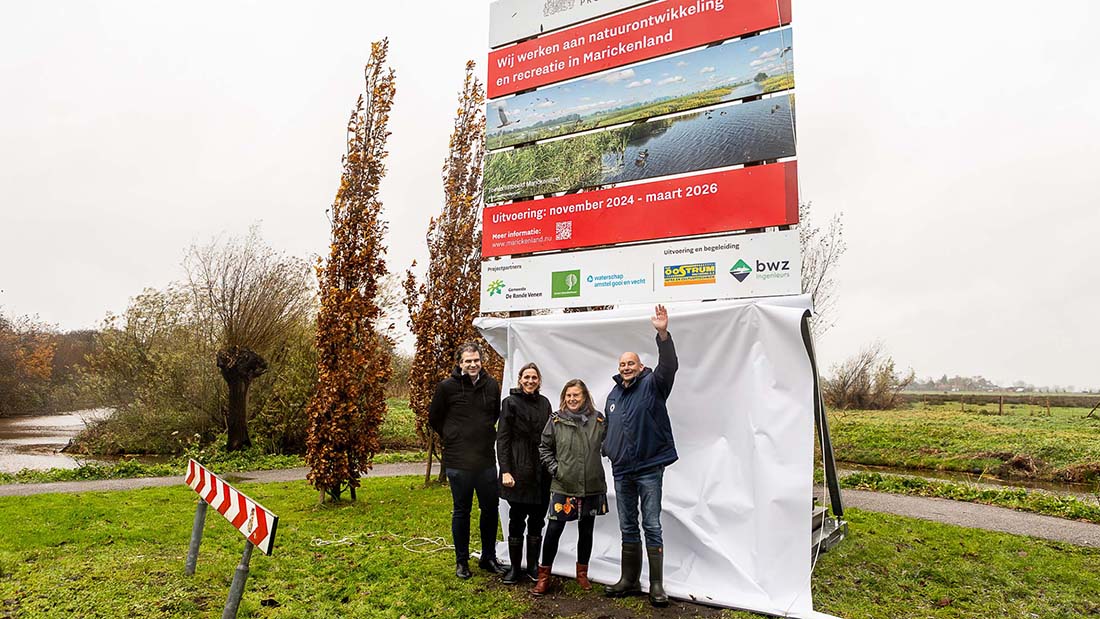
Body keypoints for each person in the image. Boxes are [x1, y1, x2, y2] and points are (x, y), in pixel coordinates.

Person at [602, 304, 678, 607]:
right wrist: (608, 449)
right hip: (622, 470)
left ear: (640, 365)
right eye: (622, 363)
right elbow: (609, 427)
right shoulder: (613, 395)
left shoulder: (654, 384)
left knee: (652, 524)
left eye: (630, 362)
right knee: (627, 525)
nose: (625, 367)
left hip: (648, 468)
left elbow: (669, 366)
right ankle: (629, 580)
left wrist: (662, 334)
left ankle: (656, 585)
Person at [429, 342, 508, 579]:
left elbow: (494, 414)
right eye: (467, 361)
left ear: (480, 361)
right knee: (461, 511)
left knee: (490, 510)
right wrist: (453, 436)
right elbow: (434, 418)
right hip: (458, 461)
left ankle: (488, 557)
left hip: (484, 460)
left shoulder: (492, 385)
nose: (473, 364)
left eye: (476, 360)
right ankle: (461, 561)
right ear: (460, 363)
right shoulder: (446, 387)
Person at [531, 379, 609, 596]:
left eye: (576, 395)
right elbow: (544, 447)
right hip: (564, 485)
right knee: (554, 530)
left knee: (586, 531)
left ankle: (582, 574)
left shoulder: (599, 419)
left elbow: (611, 444)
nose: (572, 399)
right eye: (569, 396)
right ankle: (544, 577)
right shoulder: (556, 420)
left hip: (592, 486)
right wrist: (556, 470)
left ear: (585, 396)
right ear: (564, 397)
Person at [496, 362, 553, 584]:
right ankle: (515, 568)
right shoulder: (510, 403)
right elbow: (503, 440)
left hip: (541, 472)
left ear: (539, 381)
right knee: (517, 520)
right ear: (520, 379)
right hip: (518, 470)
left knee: (538, 521)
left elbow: (550, 437)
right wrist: (506, 471)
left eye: (534, 378)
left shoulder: (545, 403)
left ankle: (532, 567)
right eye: (526, 377)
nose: (530, 381)